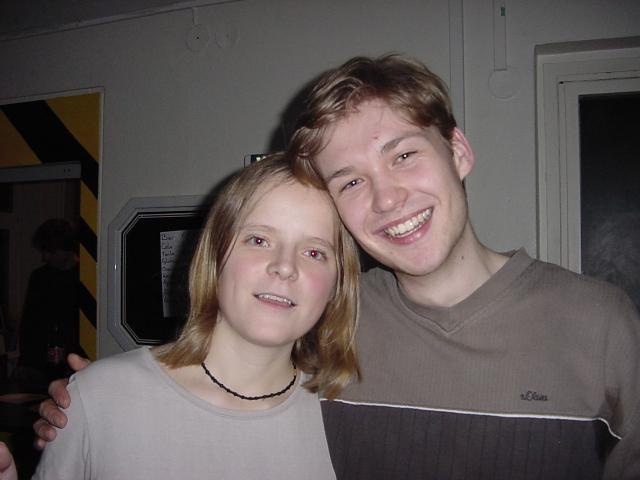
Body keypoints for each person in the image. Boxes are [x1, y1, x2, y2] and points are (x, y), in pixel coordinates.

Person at [37, 55, 640, 479]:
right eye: (351, 181)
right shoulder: (335, 328)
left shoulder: (601, 324)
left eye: (404, 154)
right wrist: (94, 407)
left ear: (458, 151)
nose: (388, 198)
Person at [27, 153, 361, 479]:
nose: (285, 266)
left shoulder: (351, 418)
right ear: (214, 255)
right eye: (259, 239)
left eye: (314, 252)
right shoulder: (98, 399)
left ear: (337, 283)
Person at [14, 219, 85, 386]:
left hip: (74, 363)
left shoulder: (84, 278)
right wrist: (25, 362)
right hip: (41, 365)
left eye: (50, 251)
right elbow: (29, 322)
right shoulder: (40, 277)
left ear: (65, 249)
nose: (44, 257)